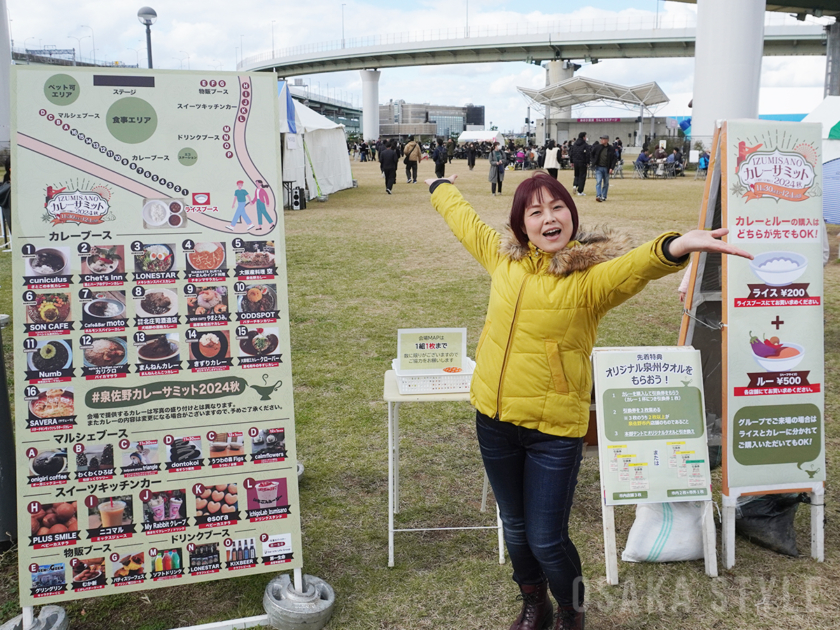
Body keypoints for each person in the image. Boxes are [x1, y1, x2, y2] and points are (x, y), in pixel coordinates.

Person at [423, 170, 752, 630]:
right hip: (494, 420)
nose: (549, 218)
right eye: (535, 211)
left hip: (553, 431)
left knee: (546, 538)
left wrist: (676, 246)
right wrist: (441, 186)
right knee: (516, 532)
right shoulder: (505, 262)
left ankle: (571, 612)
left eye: (557, 207)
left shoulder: (589, 281)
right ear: (521, 225)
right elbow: (465, 221)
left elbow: (635, 267)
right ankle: (534, 604)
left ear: (571, 217)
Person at [590, 134, 617, 202]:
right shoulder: (597, 147)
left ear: (607, 140)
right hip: (598, 167)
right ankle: (598, 195)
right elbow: (591, 154)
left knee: (606, 183)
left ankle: (604, 196)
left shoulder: (611, 148)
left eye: (603, 139)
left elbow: (614, 159)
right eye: (601, 139)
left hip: (607, 168)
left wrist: (611, 168)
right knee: (598, 181)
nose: (602, 140)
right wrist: (593, 162)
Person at [569, 132, 590, 196]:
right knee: (582, 176)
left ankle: (575, 185)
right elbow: (587, 154)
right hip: (582, 162)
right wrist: (588, 162)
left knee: (576, 174)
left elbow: (571, 153)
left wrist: (571, 161)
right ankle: (580, 191)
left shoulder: (574, 145)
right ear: (583, 137)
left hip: (575, 162)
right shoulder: (585, 145)